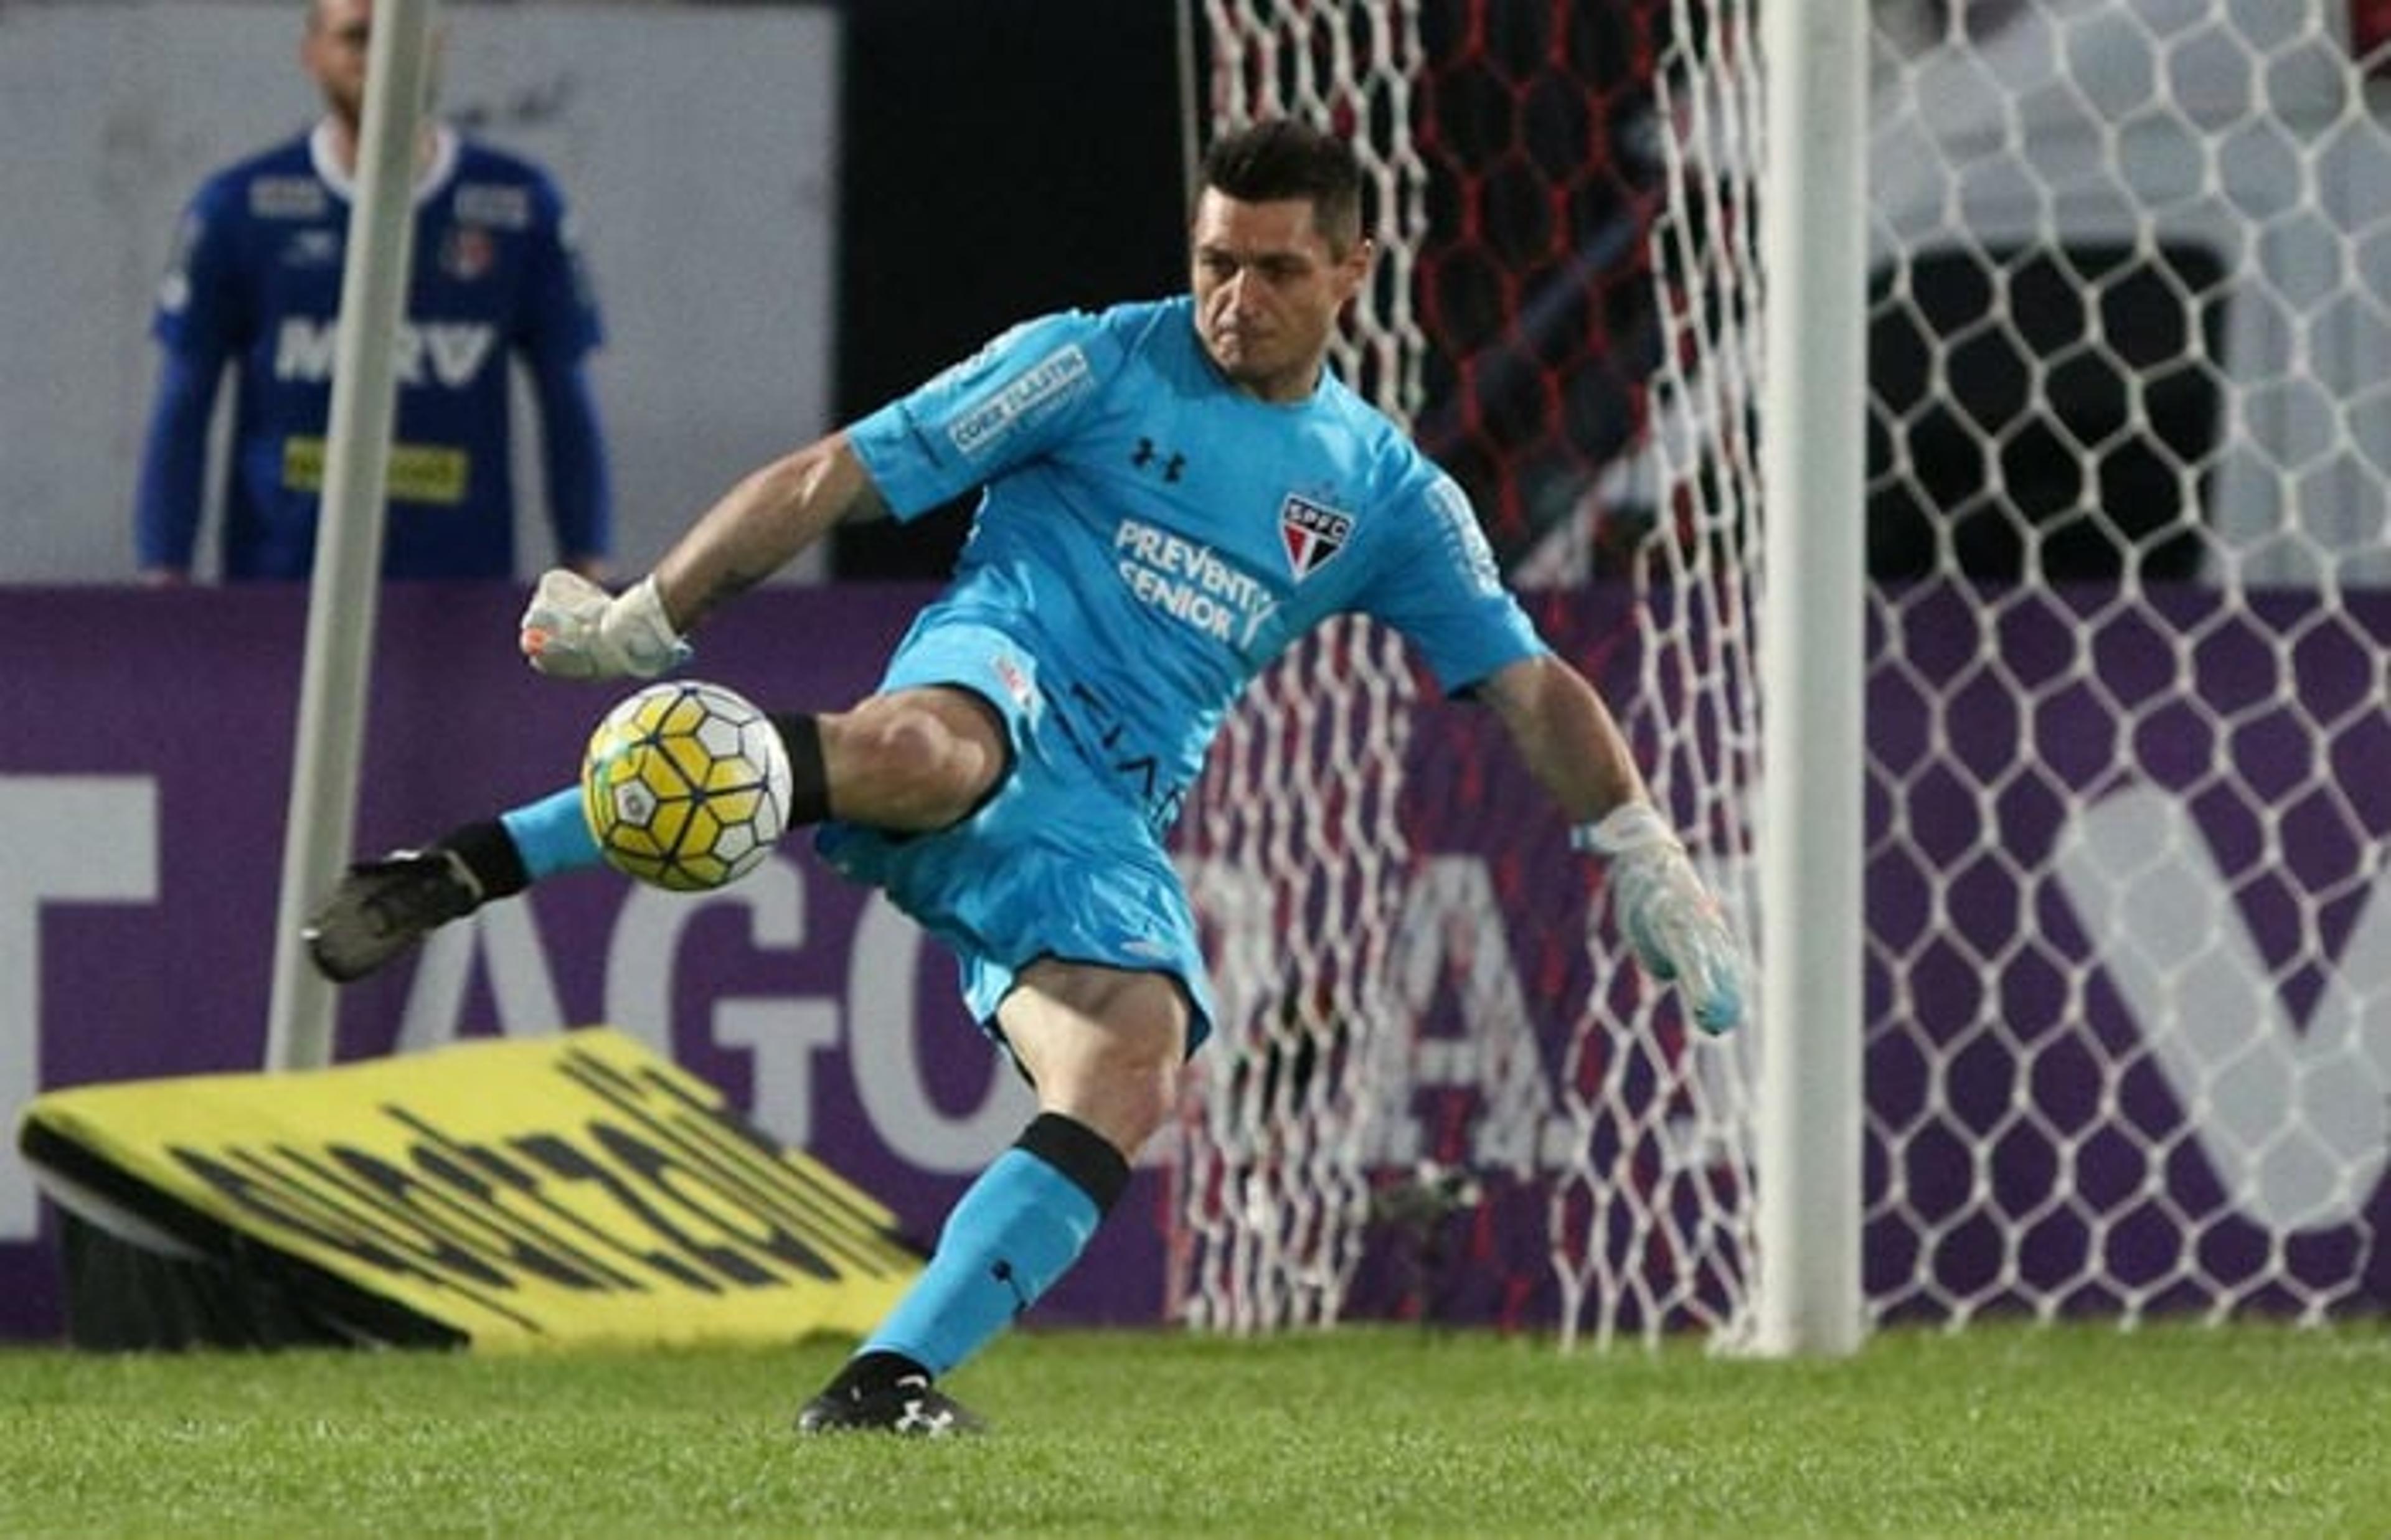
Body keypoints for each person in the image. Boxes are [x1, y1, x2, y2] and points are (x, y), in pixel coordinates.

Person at [303, 119, 1745, 1435]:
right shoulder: (1090, 360)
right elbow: (834, 476)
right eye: (1211, 261)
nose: (1232, 299)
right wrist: (647, 618)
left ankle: (883, 1383)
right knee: (923, 751)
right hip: (993, 674)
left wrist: (1636, 848)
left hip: (1098, 814)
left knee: (1133, 1060)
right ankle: (468, 864)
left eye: (1274, 270)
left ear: (1355, 269)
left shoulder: (1381, 492)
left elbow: (1529, 681)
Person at [132, 0, 611, 583]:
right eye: (358, 38)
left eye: (398, 37)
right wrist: (165, 567)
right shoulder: (239, 207)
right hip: (281, 582)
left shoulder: (518, 205)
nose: (381, 59)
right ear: (312, 54)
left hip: (461, 587)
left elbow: (566, 396)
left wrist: (586, 559)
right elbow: (184, 398)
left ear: (434, 46)